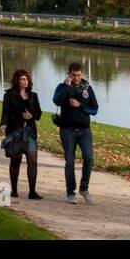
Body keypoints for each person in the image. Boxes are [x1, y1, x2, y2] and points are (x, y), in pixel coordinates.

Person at [53, 61, 99, 204]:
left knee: (89, 158)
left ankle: (84, 188)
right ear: (69, 74)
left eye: (79, 75)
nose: (77, 78)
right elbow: (56, 101)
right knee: (70, 162)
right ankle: (70, 192)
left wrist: (80, 105)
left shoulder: (87, 89)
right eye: (74, 75)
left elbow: (95, 109)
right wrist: (66, 86)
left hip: (85, 130)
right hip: (67, 130)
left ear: (82, 74)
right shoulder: (62, 87)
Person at [0, 68, 43, 201]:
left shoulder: (33, 96)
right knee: (15, 161)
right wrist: (3, 124)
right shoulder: (9, 95)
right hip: (15, 132)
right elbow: (5, 112)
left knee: (33, 161)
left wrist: (31, 115)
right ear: (17, 81)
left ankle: (32, 191)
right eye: (22, 79)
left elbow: (39, 114)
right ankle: (14, 190)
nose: (25, 81)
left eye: (26, 79)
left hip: (29, 132)